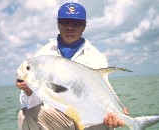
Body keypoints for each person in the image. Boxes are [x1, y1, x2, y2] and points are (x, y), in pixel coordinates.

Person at [16, 2, 128, 130]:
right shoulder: (43, 55)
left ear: (84, 26)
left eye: (76, 23)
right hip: (58, 118)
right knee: (24, 115)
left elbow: (103, 91)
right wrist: (28, 91)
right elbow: (29, 104)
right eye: (65, 22)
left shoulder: (97, 58)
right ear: (58, 24)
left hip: (90, 117)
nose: (70, 28)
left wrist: (117, 112)